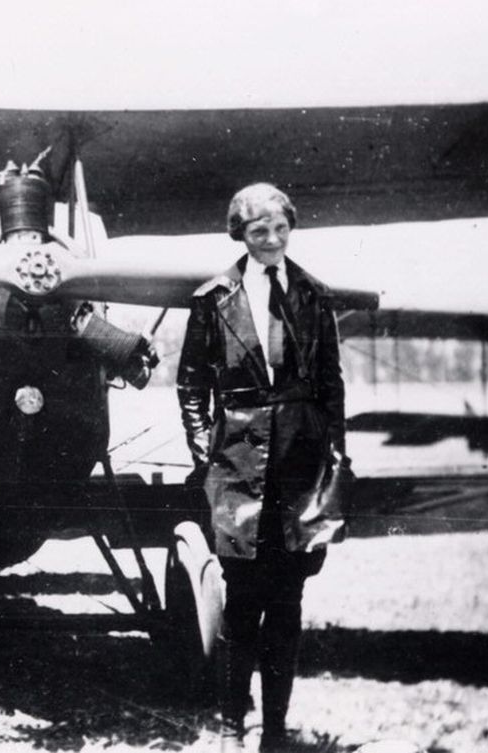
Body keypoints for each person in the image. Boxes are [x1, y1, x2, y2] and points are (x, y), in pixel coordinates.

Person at [176, 183, 351, 752]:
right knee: (241, 600)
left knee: (289, 601)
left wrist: (333, 461)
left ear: (289, 229)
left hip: (300, 469)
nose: (271, 241)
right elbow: (192, 386)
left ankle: (273, 732)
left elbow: (331, 386)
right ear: (241, 236)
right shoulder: (212, 299)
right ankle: (232, 726)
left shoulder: (313, 295)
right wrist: (208, 455)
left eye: (280, 229)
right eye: (259, 232)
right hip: (237, 468)